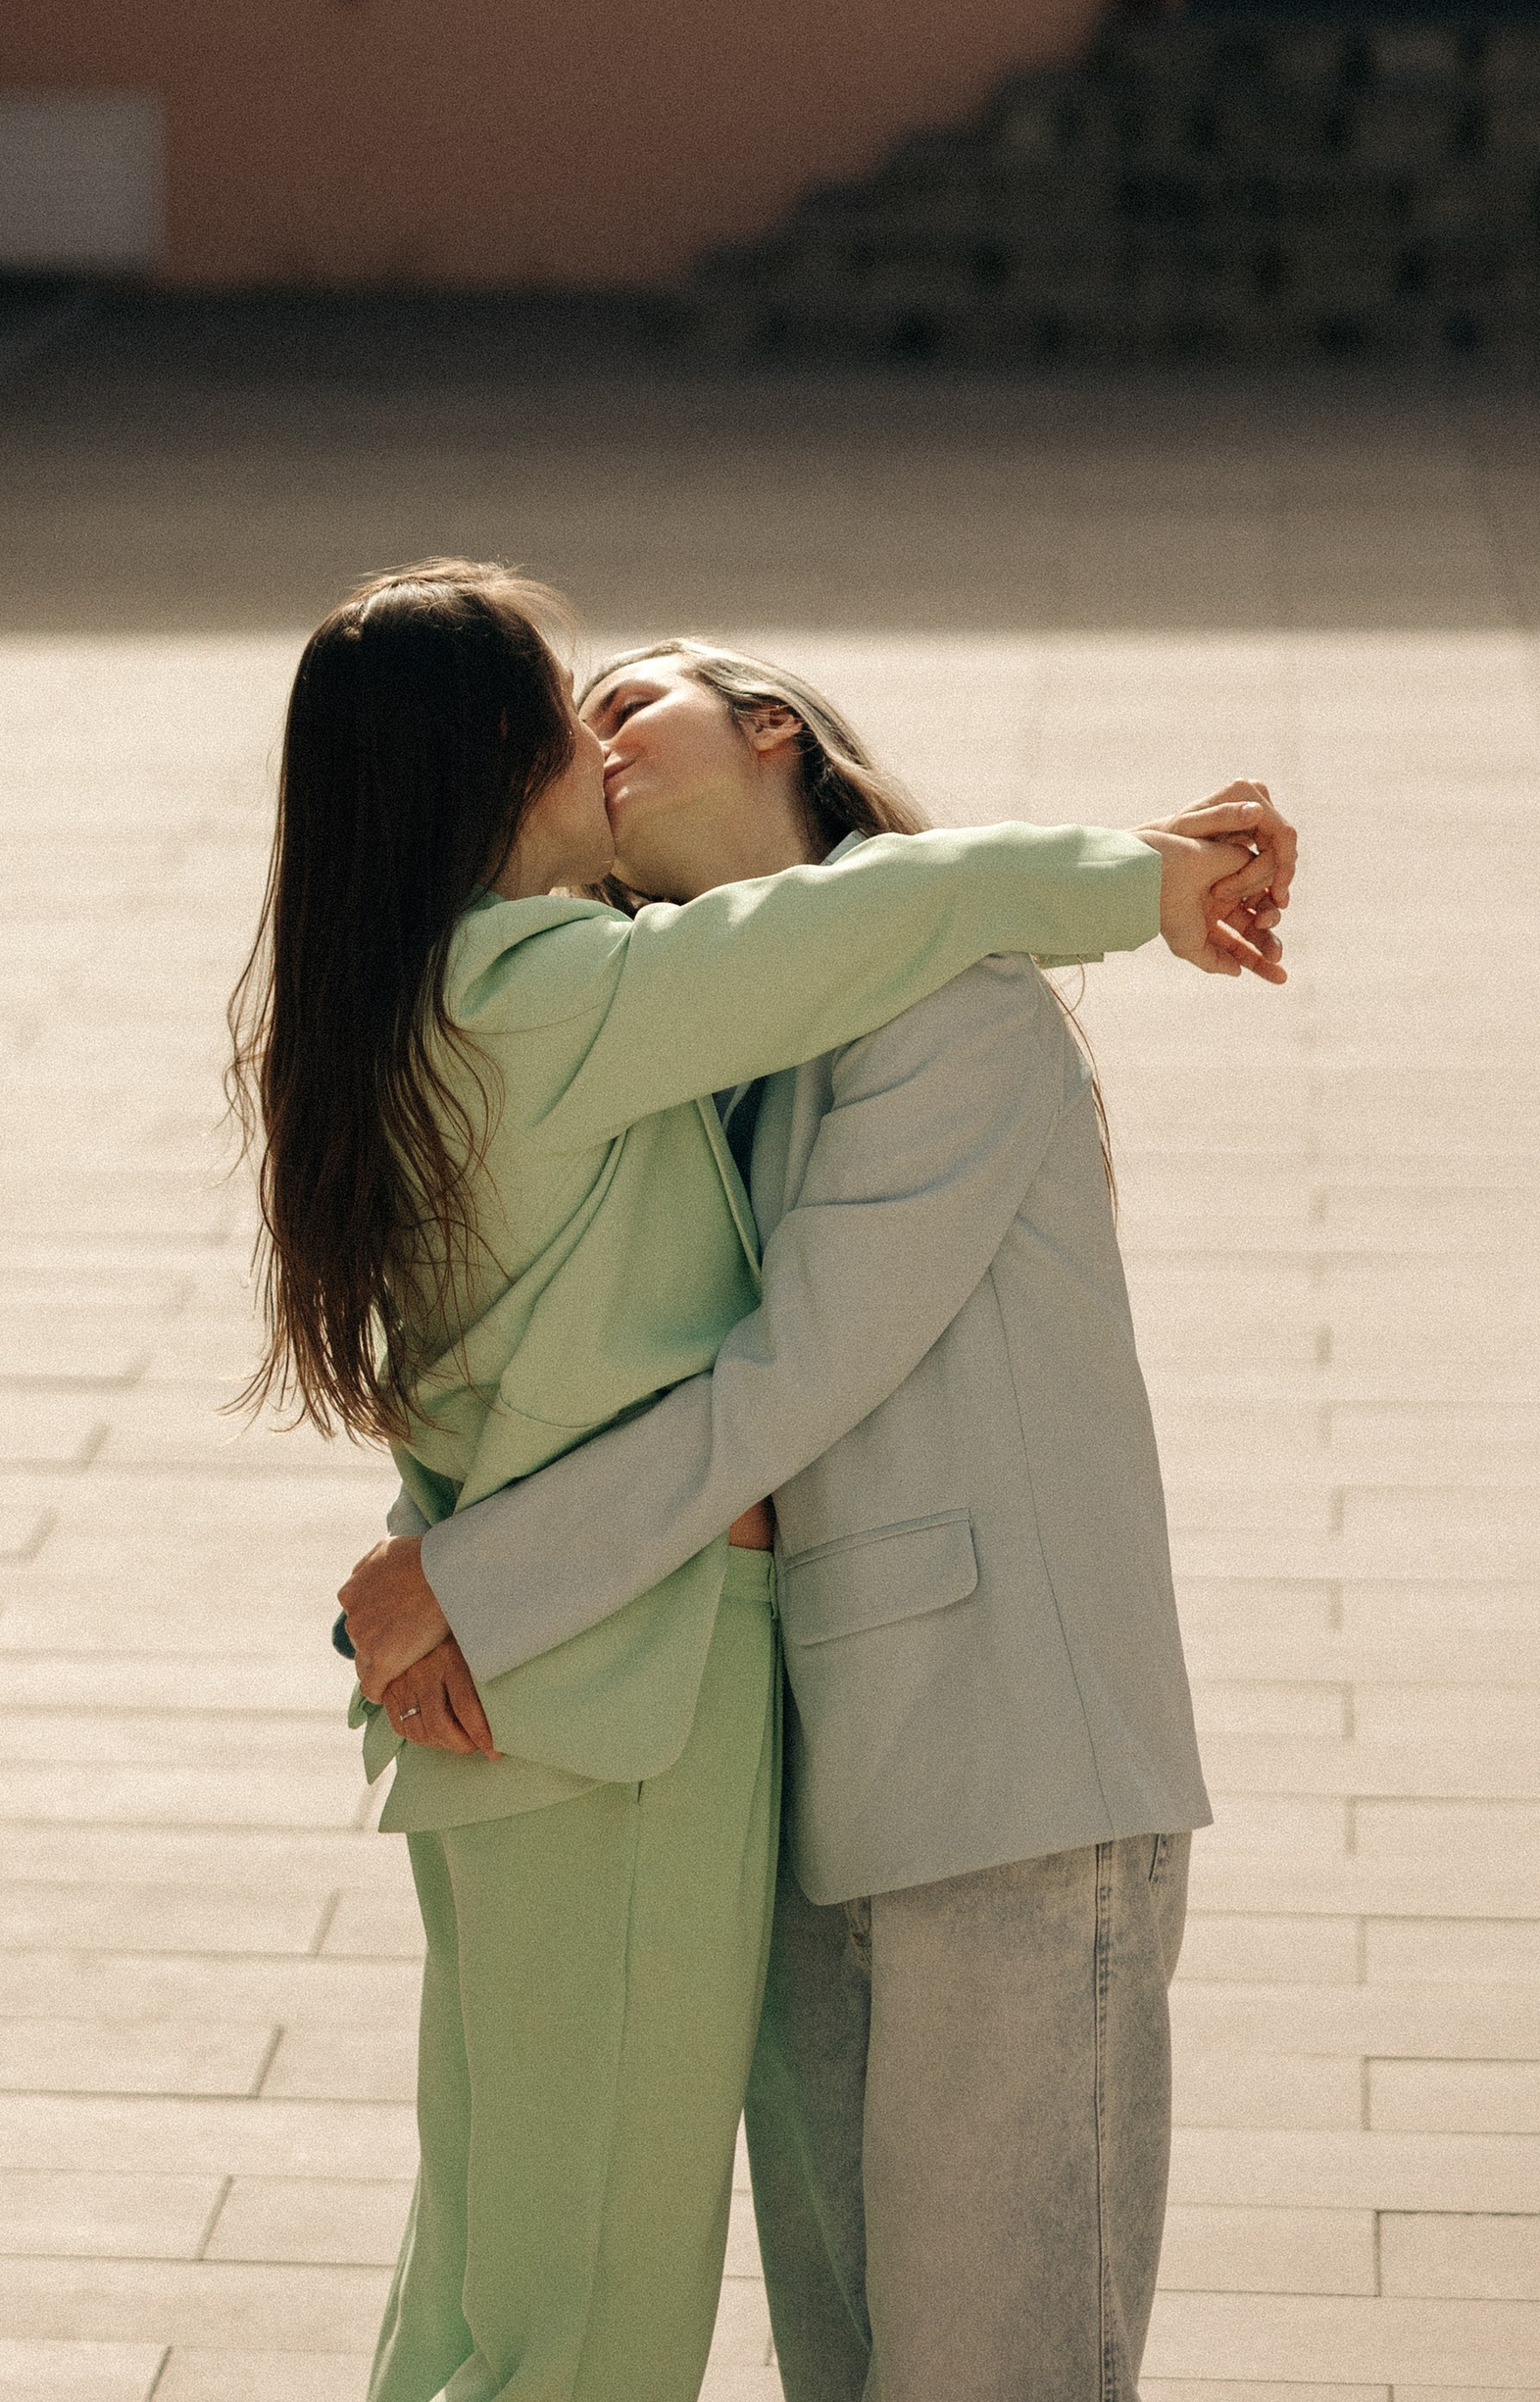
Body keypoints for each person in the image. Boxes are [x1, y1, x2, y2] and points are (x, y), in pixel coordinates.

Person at [238, 562, 1293, 2402]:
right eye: (567, 712)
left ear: (775, 730)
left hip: (996, 1770)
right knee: (710, 2341)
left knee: (950, 2362)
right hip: (770, 1768)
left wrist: (462, 1578)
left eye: (630, 703)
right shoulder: (636, 1029)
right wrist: (447, 1561)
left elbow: (776, 1380)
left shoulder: (920, 1013)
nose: (597, 742)